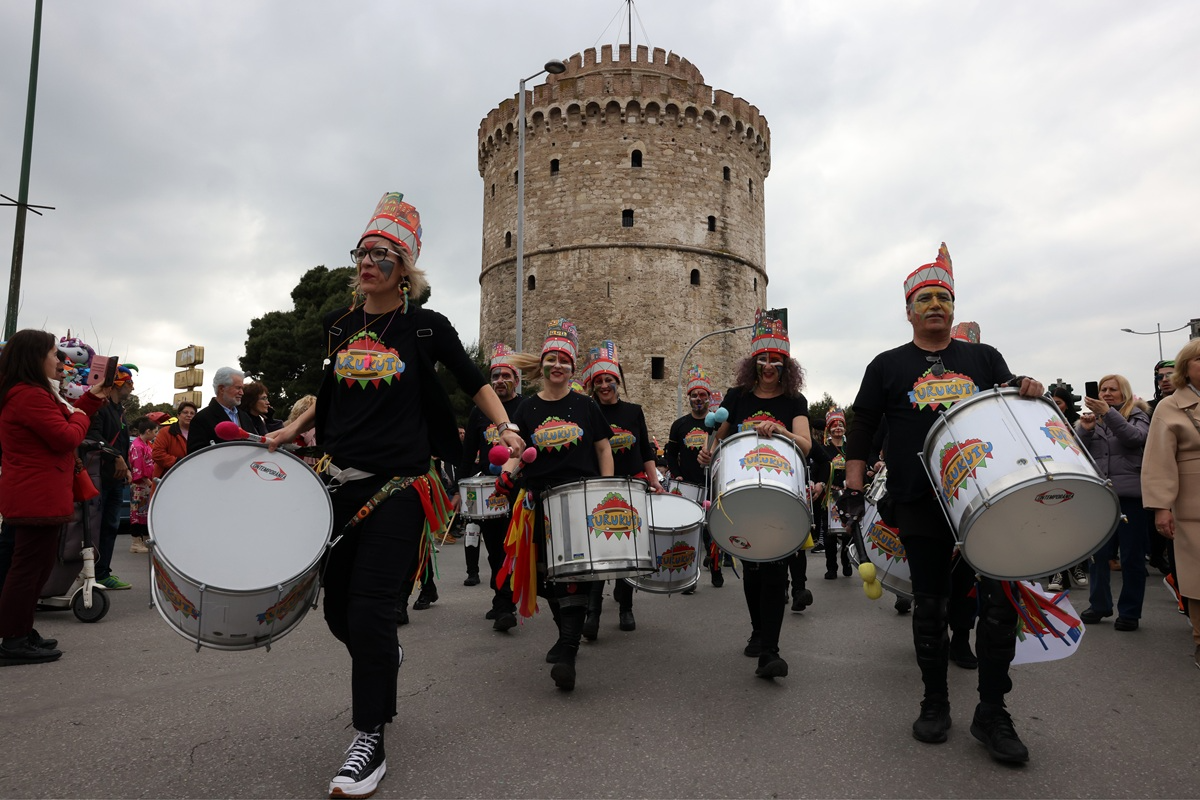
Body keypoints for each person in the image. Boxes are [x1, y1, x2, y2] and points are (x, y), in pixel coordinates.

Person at [267, 191, 524, 799]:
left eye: (382, 253)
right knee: (335, 611)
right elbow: (326, 398)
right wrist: (287, 431)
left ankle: (368, 738)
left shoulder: (426, 328)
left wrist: (505, 426)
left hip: (402, 487)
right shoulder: (339, 325)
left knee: (372, 607)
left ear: (405, 268)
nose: (369, 261)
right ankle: (382, 662)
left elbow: (474, 382)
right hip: (337, 482)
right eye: (363, 251)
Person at [843, 243, 1044, 763]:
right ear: (909, 309)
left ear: (954, 309)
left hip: (987, 497)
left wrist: (1027, 388)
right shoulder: (886, 365)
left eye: (944, 297)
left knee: (999, 608)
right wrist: (852, 489)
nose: (936, 305)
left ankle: (992, 712)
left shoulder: (983, 357)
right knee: (929, 606)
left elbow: (1011, 409)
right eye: (925, 298)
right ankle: (934, 701)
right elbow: (861, 429)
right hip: (918, 499)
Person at [493, 318, 614, 692]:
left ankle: (567, 651)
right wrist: (507, 473)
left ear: (573, 368)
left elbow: (603, 449)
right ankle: (566, 634)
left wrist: (604, 488)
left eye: (564, 360)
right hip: (535, 502)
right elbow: (517, 452)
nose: (558, 365)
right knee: (544, 578)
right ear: (542, 365)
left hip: (577, 497)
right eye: (552, 359)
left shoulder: (586, 406)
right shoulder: (526, 408)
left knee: (573, 577)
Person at [698, 310, 812, 679]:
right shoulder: (737, 396)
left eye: (775, 361)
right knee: (753, 566)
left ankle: (770, 652)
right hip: (742, 492)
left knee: (775, 566)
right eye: (762, 359)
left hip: (780, 492)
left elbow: (806, 446)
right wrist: (708, 449)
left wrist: (780, 431)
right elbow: (717, 436)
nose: (767, 366)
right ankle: (758, 631)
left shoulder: (795, 401)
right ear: (753, 362)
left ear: (785, 366)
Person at [0, 330, 110, 666]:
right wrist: (81, 415)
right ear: (35, 358)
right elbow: (65, 436)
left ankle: (20, 630)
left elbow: (64, 420)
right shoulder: (28, 395)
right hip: (36, 496)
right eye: (53, 353)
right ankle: (14, 639)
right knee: (27, 570)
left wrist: (89, 399)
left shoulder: (33, 393)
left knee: (33, 567)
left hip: (37, 494)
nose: (60, 360)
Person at [580, 341, 664, 638]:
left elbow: (645, 451)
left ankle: (625, 607)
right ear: (592, 384)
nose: (604, 385)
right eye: (599, 380)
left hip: (631, 486)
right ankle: (592, 612)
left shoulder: (633, 411)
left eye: (609, 380)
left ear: (619, 381)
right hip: (597, 489)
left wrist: (655, 481)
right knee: (598, 552)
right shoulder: (587, 411)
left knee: (627, 551)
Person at [1141, 340, 1200, 668]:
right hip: (1192, 507)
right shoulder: (1170, 407)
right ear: (1185, 368)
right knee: (1197, 578)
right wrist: (1162, 507)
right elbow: (1159, 461)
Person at [1076, 374, 1151, 631]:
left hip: (1131, 498)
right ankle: (1099, 605)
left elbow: (1134, 439)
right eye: (1103, 389)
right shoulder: (1092, 419)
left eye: (1113, 389)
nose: (1107, 393)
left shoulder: (1138, 415)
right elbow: (1078, 453)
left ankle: (1130, 612)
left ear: (1125, 393)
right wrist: (1083, 431)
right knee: (1097, 556)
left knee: (1131, 557)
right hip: (1100, 497)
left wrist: (1109, 414)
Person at [459, 343, 525, 632]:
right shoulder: (479, 412)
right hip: (490, 491)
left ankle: (507, 600)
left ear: (517, 380)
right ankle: (503, 602)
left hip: (520, 488)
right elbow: (468, 453)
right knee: (496, 549)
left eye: (505, 375)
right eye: (495, 376)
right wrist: (458, 490)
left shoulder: (526, 407)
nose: (500, 380)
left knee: (516, 547)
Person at [665, 364, 723, 588]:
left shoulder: (718, 425)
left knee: (713, 530)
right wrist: (676, 475)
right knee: (690, 533)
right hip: (687, 485)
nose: (698, 398)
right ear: (689, 397)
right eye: (694, 395)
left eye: (702, 394)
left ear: (709, 397)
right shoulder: (679, 425)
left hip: (712, 484)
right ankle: (690, 577)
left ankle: (716, 568)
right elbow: (670, 454)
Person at [84, 365, 136, 590]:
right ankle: (89, 574)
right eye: (129, 383)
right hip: (98, 477)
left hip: (116, 479)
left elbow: (123, 443)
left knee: (111, 526)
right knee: (94, 527)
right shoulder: (102, 407)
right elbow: (92, 436)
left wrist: (127, 467)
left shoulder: (120, 409)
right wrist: (115, 457)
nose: (132, 387)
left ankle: (103, 572)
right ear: (117, 383)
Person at [187, 367, 255, 454]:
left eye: (242, 388)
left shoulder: (245, 416)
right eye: (238, 388)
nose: (242, 393)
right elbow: (195, 456)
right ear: (222, 389)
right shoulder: (201, 419)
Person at [127, 416, 157, 553]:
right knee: (137, 513)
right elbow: (138, 468)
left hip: (146, 483)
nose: (155, 434)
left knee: (144, 513)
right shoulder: (137, 446)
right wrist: (149, 482)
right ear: (148, 431)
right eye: (155, 431)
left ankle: (144, 540)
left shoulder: (146, 444)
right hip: (140, 484)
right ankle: (136, 542)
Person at [152, 401, 196, 478]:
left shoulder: (199, 434)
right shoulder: (166, 432)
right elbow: (157, 454)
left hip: (190, 477)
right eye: (185, 412)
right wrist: (178, 462)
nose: (189, 415)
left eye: (192, 413)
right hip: (167, 478)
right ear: (178, 415)